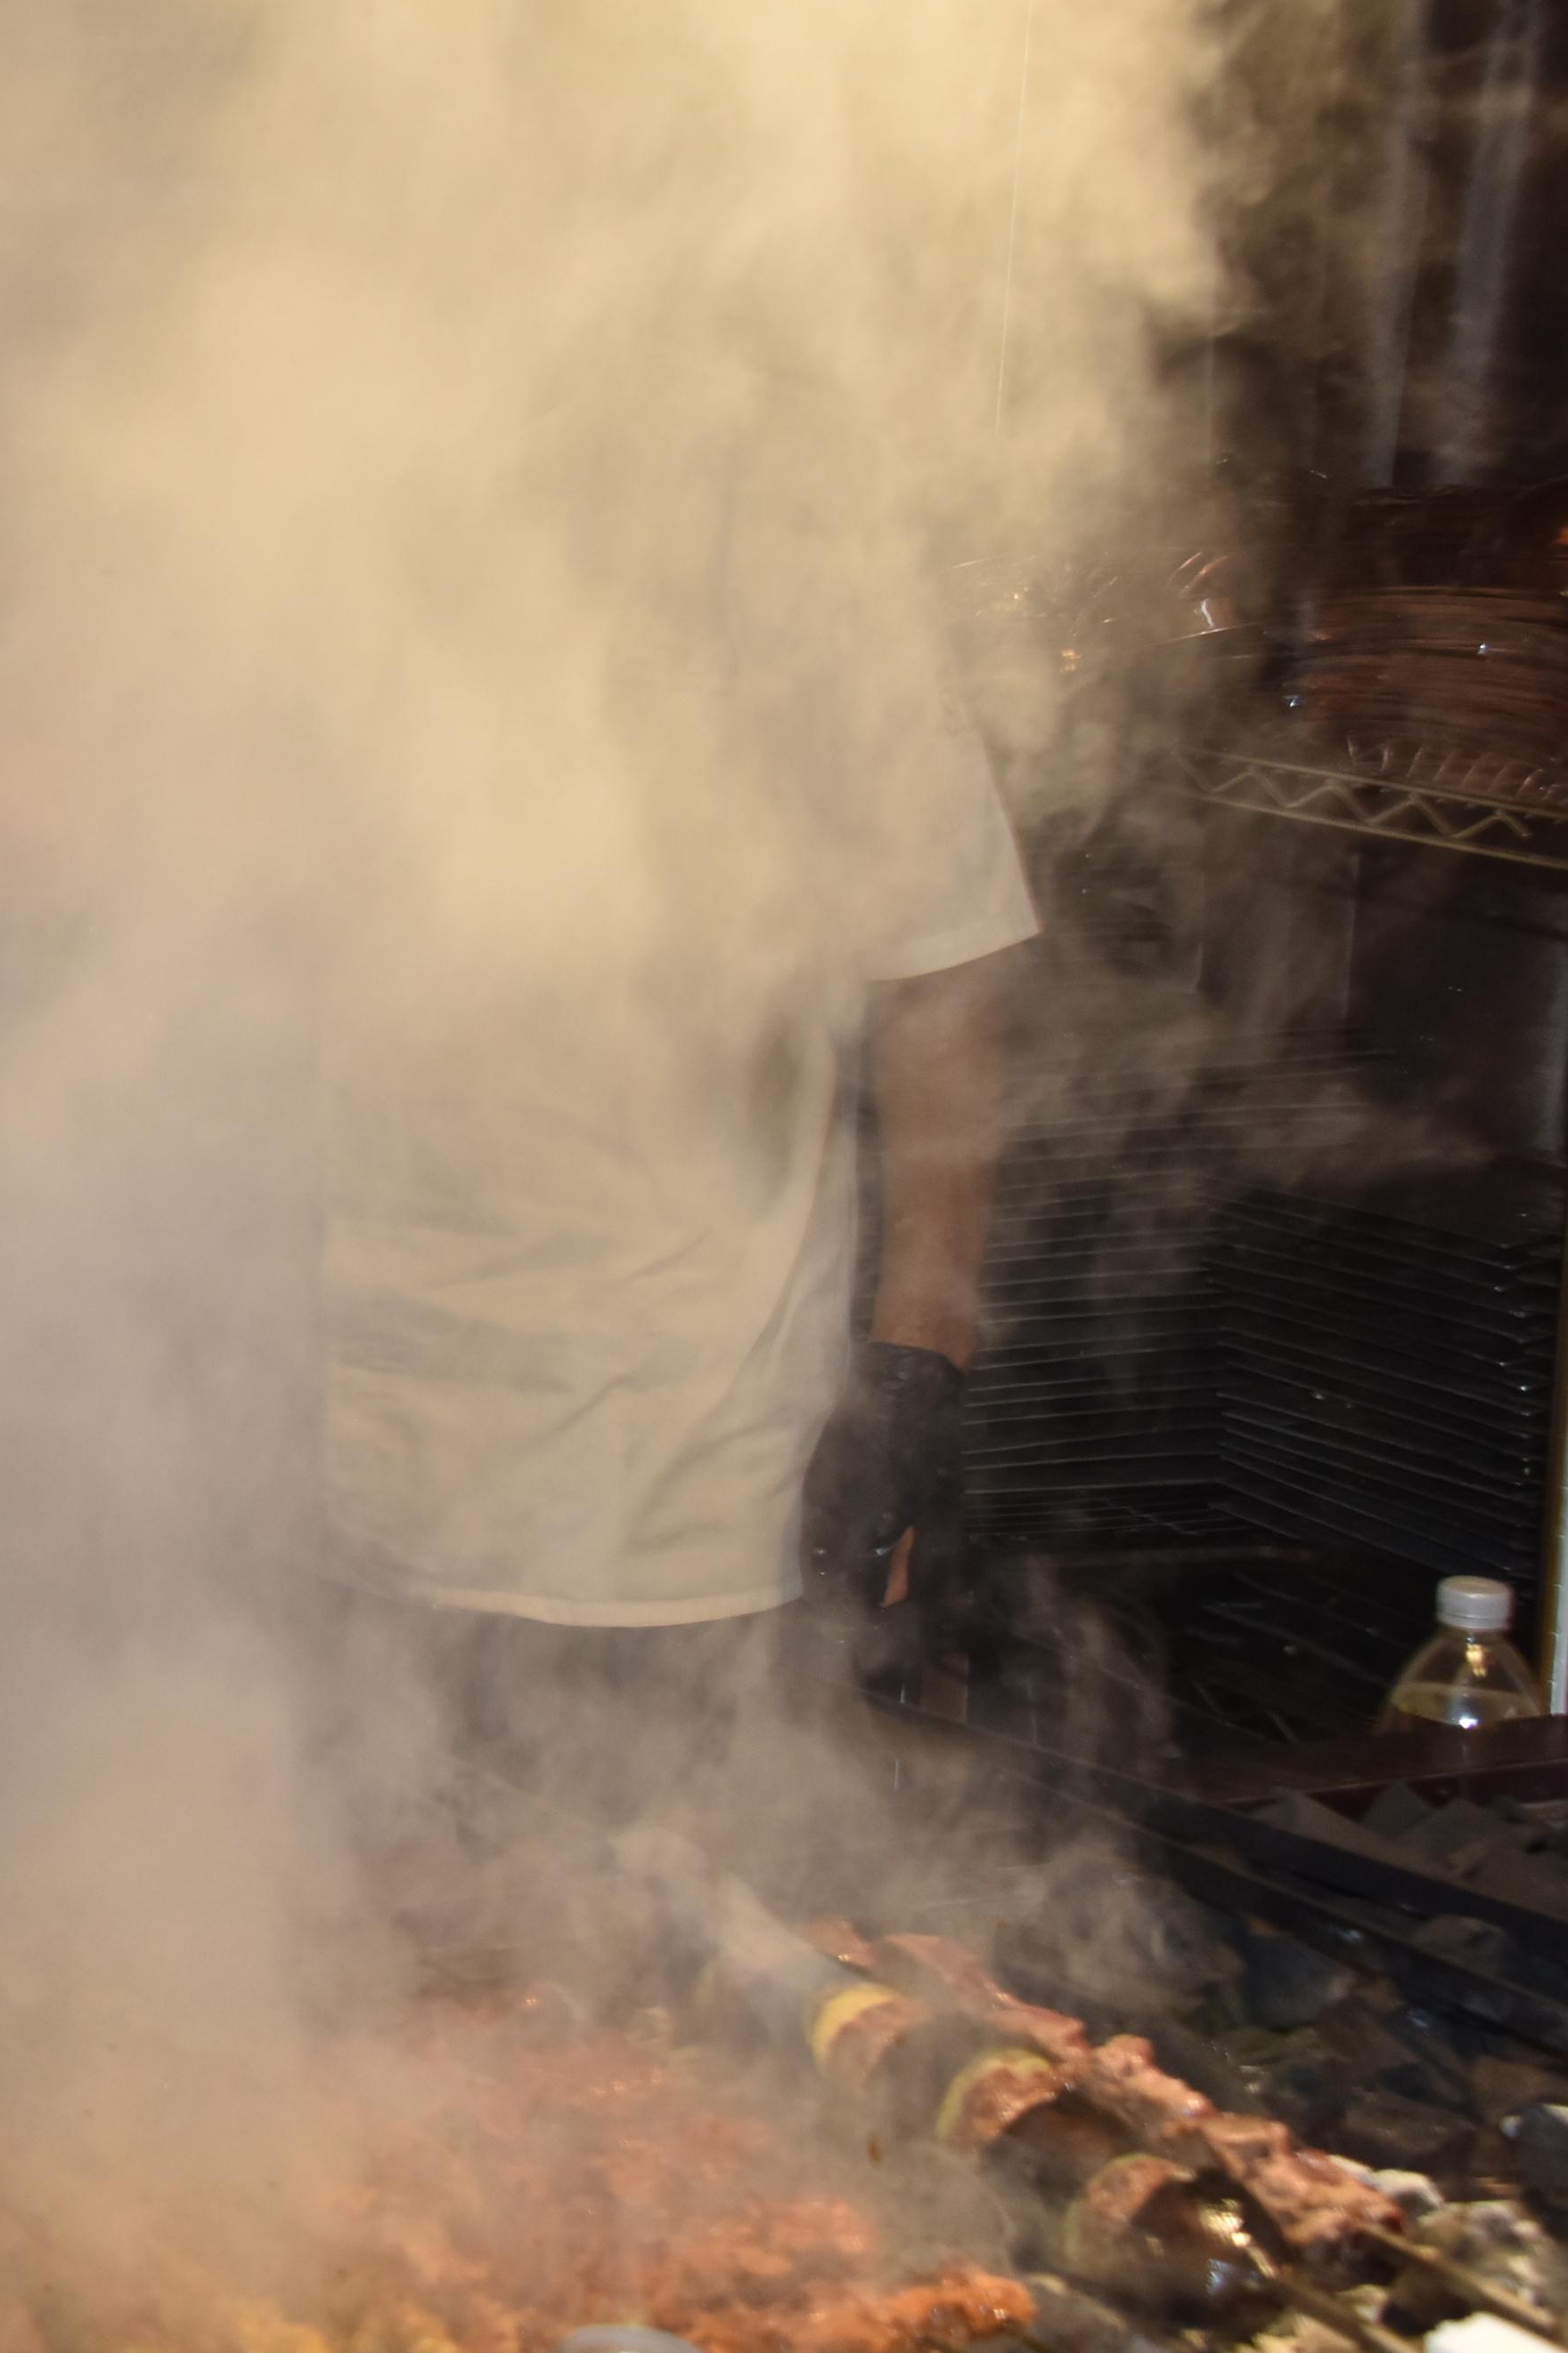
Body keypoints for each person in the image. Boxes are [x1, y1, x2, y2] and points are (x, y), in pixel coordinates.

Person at [312, 520, 1034, 1762]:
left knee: (697, 1931)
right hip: (372, 1455)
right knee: (399, 1930)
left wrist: (919, 1373)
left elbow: (946, 990)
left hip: (700, 1486)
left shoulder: (826, 615)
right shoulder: (350, 560)